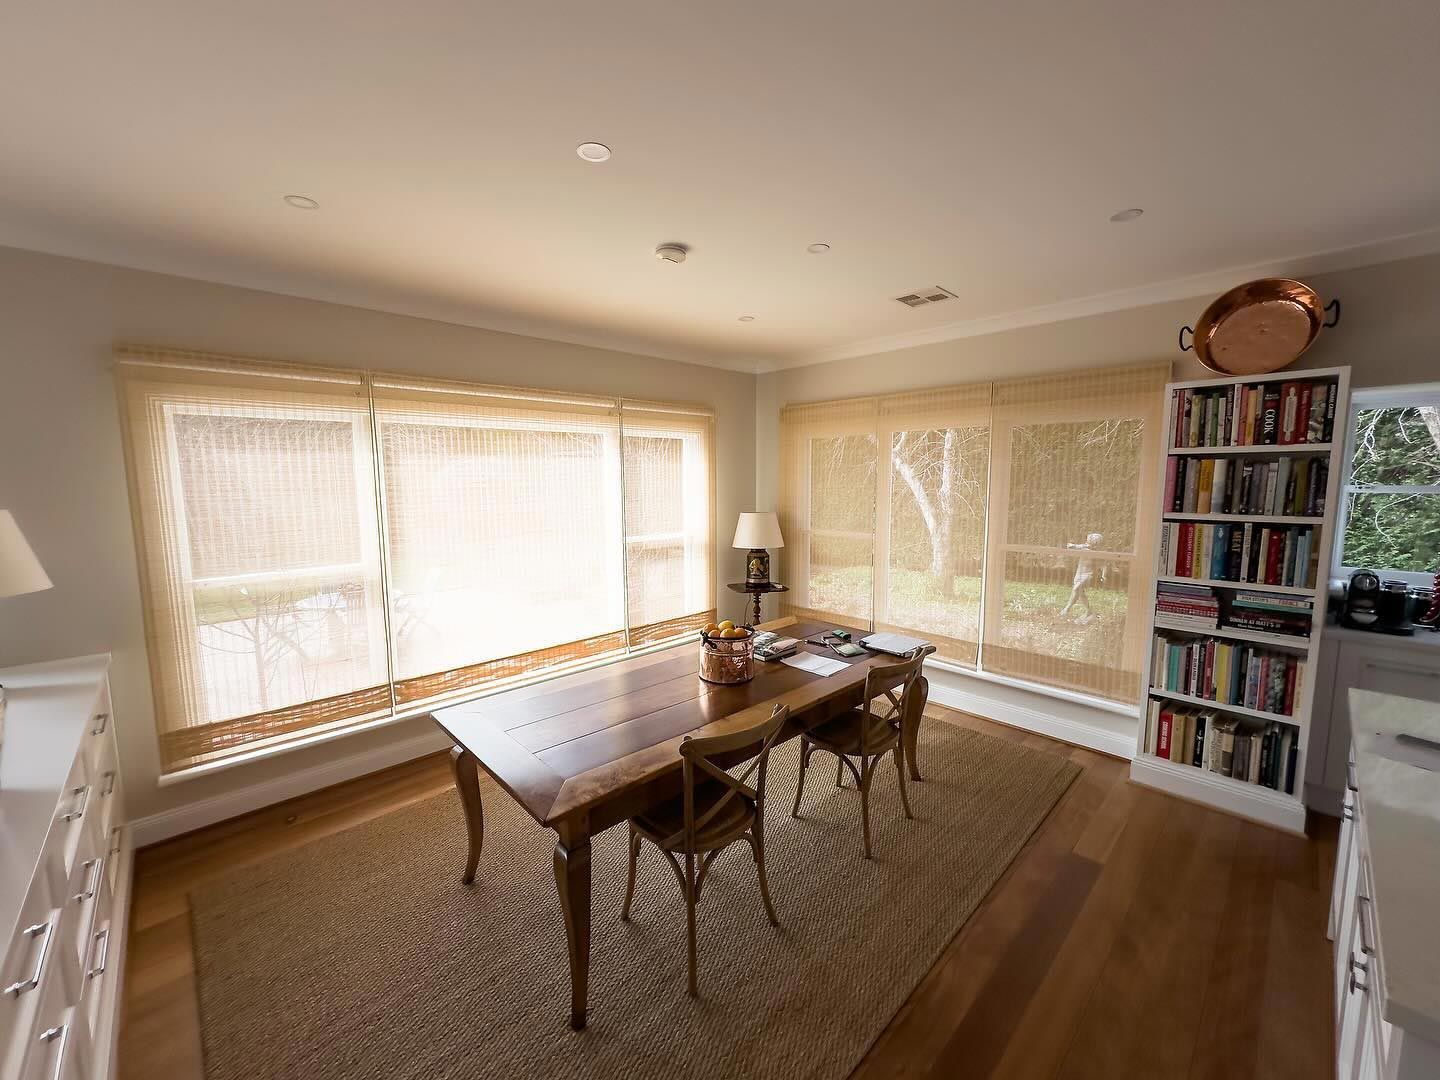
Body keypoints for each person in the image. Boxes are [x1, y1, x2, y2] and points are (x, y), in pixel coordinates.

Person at [1059, 532, 1103, 623]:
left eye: (1091, 541)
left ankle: (1066, 609)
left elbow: (1104, 564)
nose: (1088, 543)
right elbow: (1074, 546)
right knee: (1080, 592)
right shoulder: (1085, 547)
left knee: (1076, 589)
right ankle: (1088, 610)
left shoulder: (1097, 552)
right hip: (1079, 573)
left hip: (1088, 574)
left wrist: (1103, 575)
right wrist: (1071, 545)